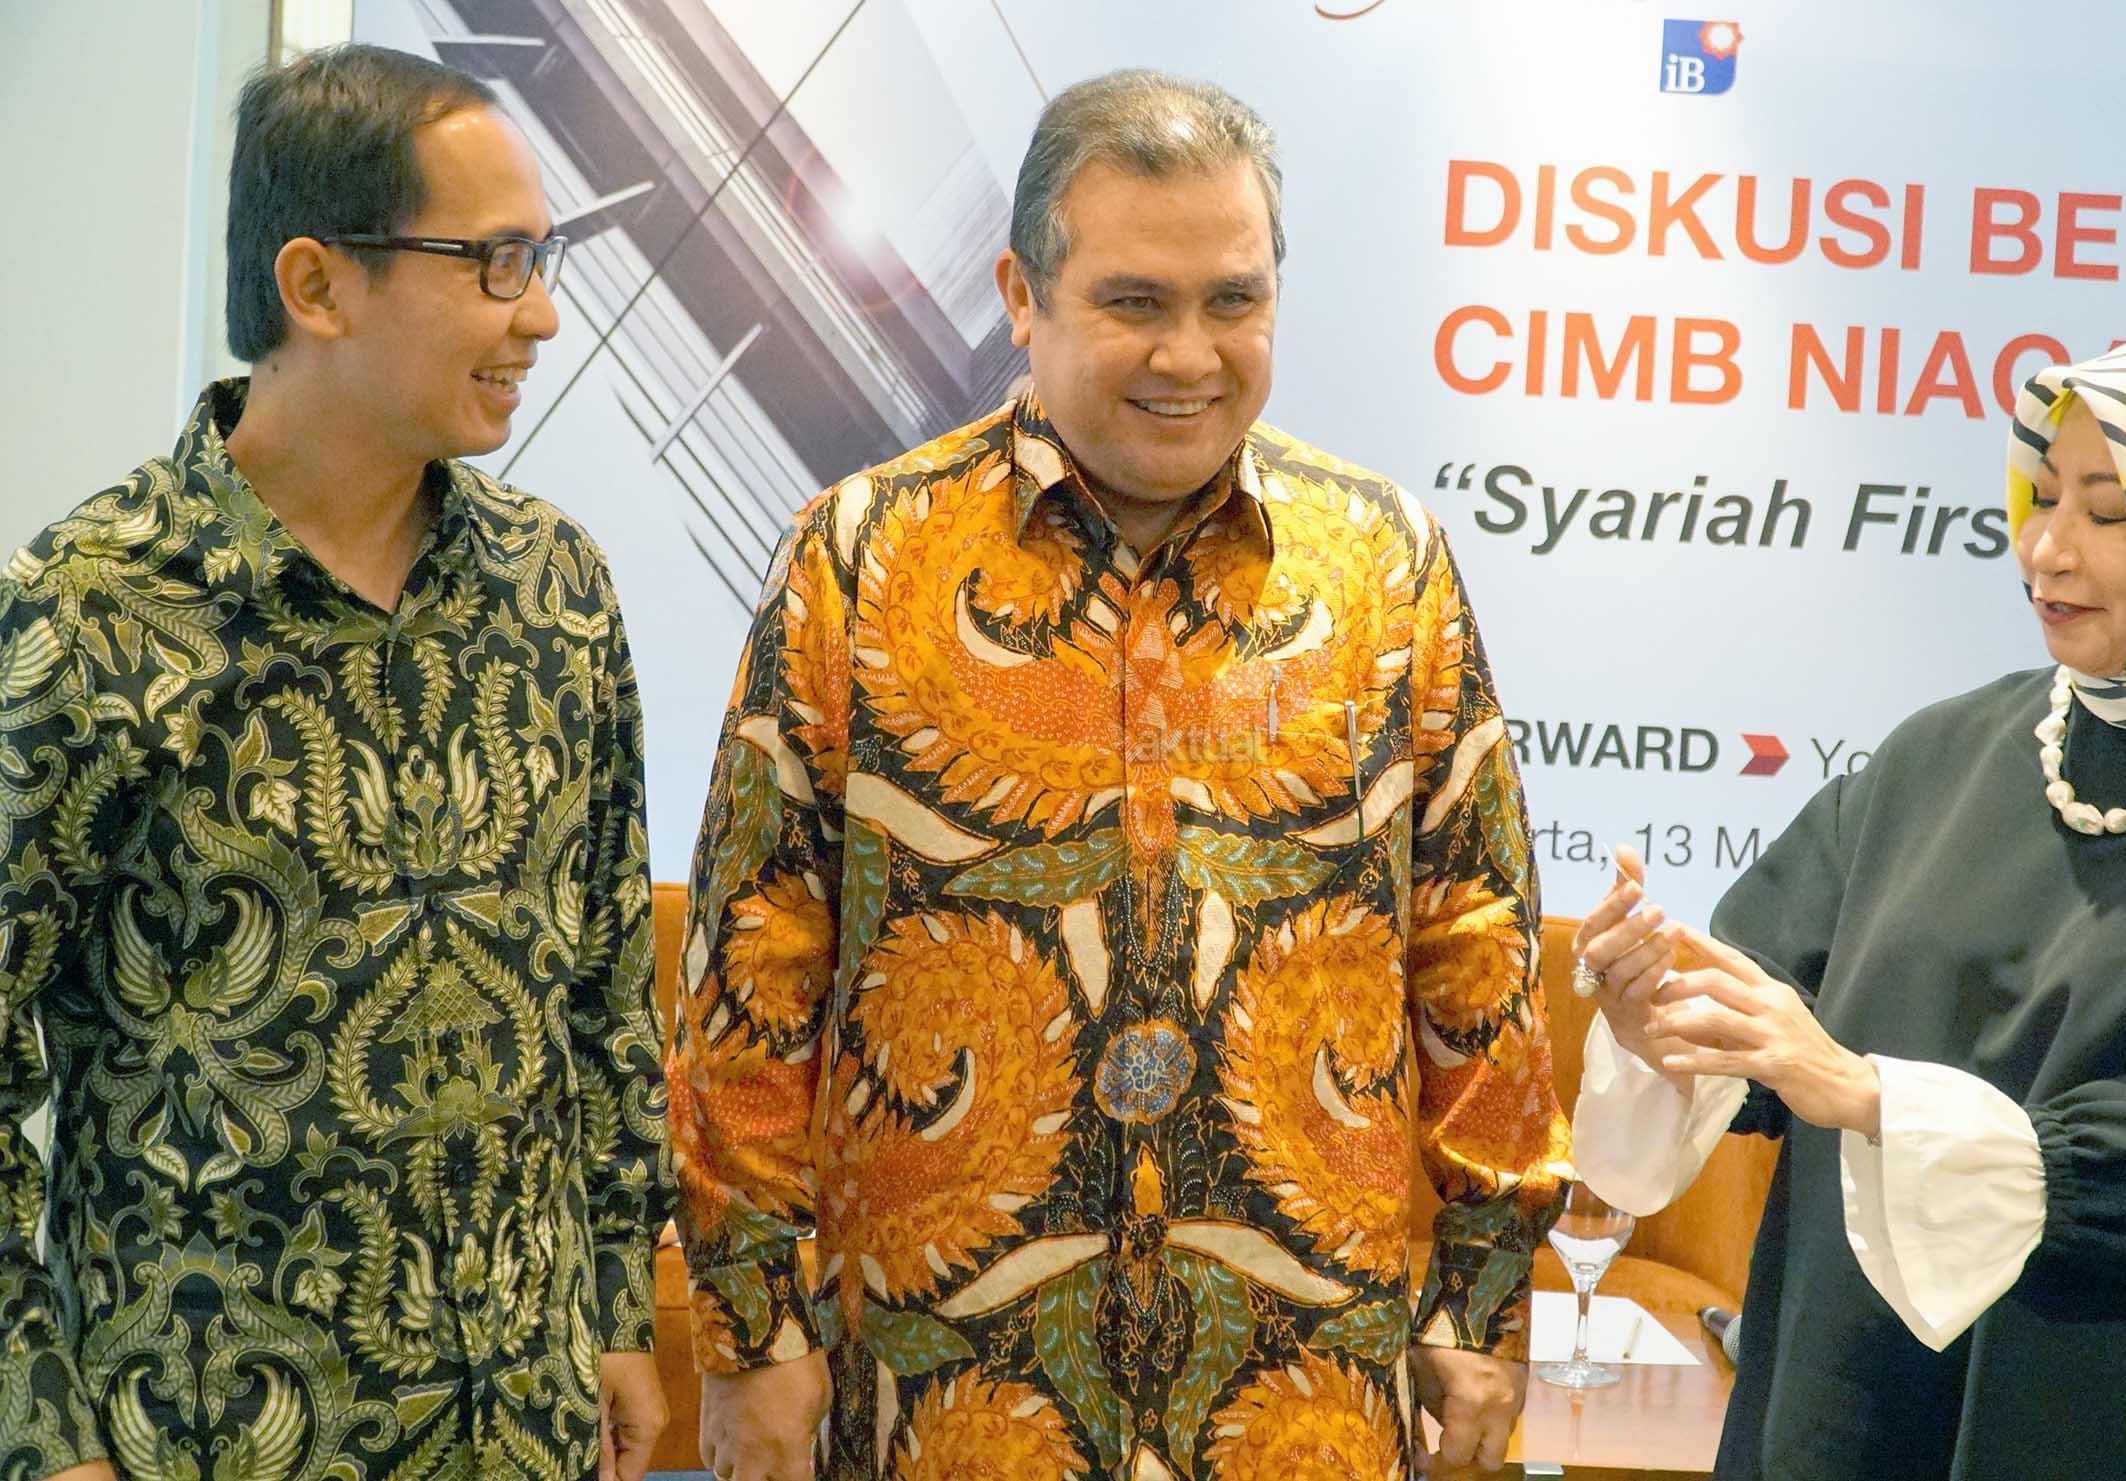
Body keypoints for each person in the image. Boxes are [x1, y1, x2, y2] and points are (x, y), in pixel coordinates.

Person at [669, 68, 1568, 1480]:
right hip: (944, 1398)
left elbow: (1477, 945)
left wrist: (1485, 1295)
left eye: (1234, 300)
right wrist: (751, 1329)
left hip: (1309, 1396)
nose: (1189, 355)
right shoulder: (856, 561)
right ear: (1021, 295)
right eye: (1135, 302)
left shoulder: (1387, 568)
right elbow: (750, 970)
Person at [0, 44, 671, 1481]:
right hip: (213, 1441)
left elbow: (608, 983)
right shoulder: (91, 614)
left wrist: (617, 1298)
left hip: (525, 1430)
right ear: (316, 285)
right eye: (492, 263)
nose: (542, 313)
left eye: (541, 258)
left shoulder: (556, 587)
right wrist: (39, 1434)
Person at [1572, 330, 2126, 1479]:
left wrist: (1869, 1093)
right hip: (1847, 1391)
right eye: (2042, 495)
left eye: (2111, 512)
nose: (2047, 547)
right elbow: (1763, 1016)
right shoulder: (1939, 754)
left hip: (2107, 1418)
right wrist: (1657, 1010)